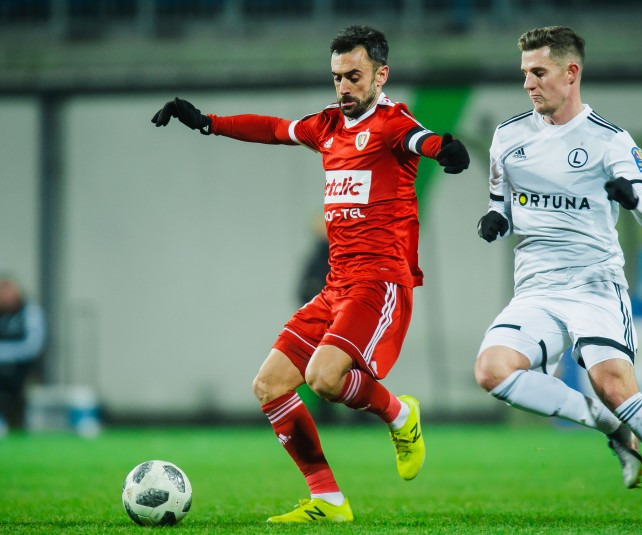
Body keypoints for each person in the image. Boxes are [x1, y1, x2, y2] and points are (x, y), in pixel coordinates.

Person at [151, 25, 470, 523]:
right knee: (269, 385)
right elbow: (274, 129)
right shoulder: (327, 126)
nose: (344, 86)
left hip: (379, 280)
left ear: (381, 76)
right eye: (337, 77)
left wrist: (444, 150)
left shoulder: (392, 123)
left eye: (354, 76)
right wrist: (208, 123)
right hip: (336, 285)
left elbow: (421, 140)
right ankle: (329, 499)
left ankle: (399, 414)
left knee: (323, 378)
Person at [473, 26, 642, 524]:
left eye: (539, 72)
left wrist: (631, 196)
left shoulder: (609, 140)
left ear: (571, 73)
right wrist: (495, 220)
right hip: (537, 288)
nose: (528, 83)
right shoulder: (507, 136)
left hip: (594, 286)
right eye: (524, 73)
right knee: (491, 370)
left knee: (613, 385)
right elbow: (500, 202)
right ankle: (609, 426)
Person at [0, 277, 47, 435]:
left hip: (23, 367)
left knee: (20, 395)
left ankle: (21, 424)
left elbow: (33, 345)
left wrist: (5, 353)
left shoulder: (30, 312)